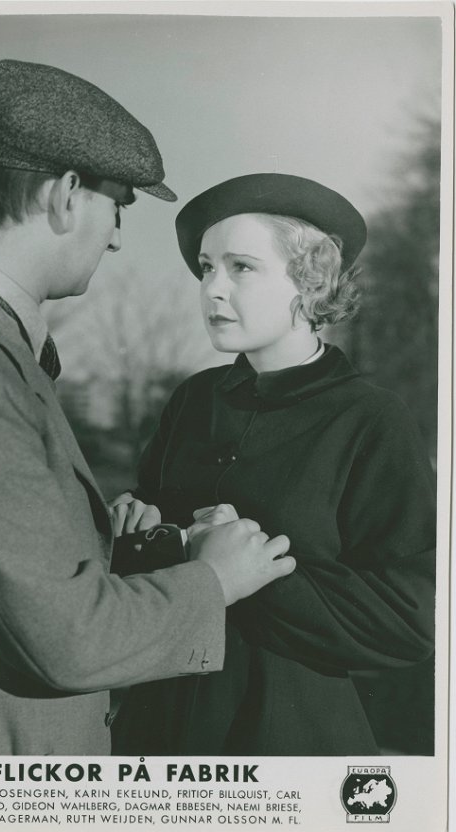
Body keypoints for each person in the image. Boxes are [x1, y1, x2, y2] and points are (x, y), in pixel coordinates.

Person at [0, 62, 295, 756]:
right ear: (67, 196)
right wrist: (213, 578)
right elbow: (68, 639)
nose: (113, 238)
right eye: (119, 207)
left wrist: (131, 545)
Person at [110, 173, 436, 756]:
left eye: (241, 267)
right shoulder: (192, 401)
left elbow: (409, 624)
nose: (211, 289)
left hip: (289, 743)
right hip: (159, 737)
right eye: (206, 267)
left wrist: (248, 570)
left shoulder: (371, 420)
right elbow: (151, 567)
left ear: (311, 283)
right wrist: (139, 532)